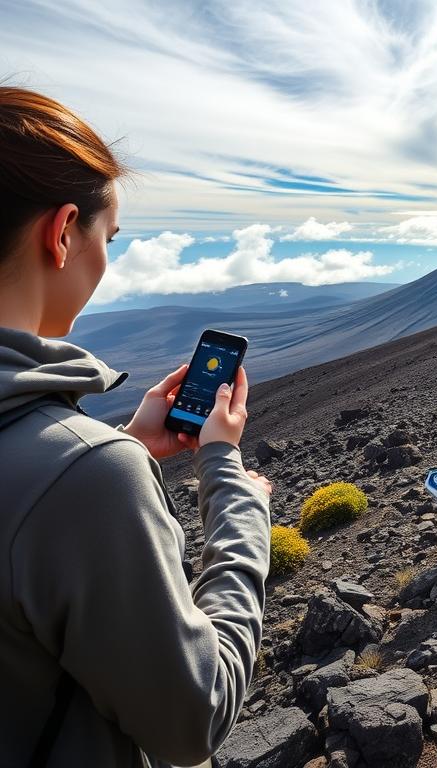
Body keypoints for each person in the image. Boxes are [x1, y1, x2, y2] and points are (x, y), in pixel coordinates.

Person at [0, 86, 273, 767]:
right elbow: (192, 719)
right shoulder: (84, 478)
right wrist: (236, 497)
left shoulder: (72, 467)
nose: (106, 260)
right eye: (109, 238)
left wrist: (118, 445)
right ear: (62, 233)